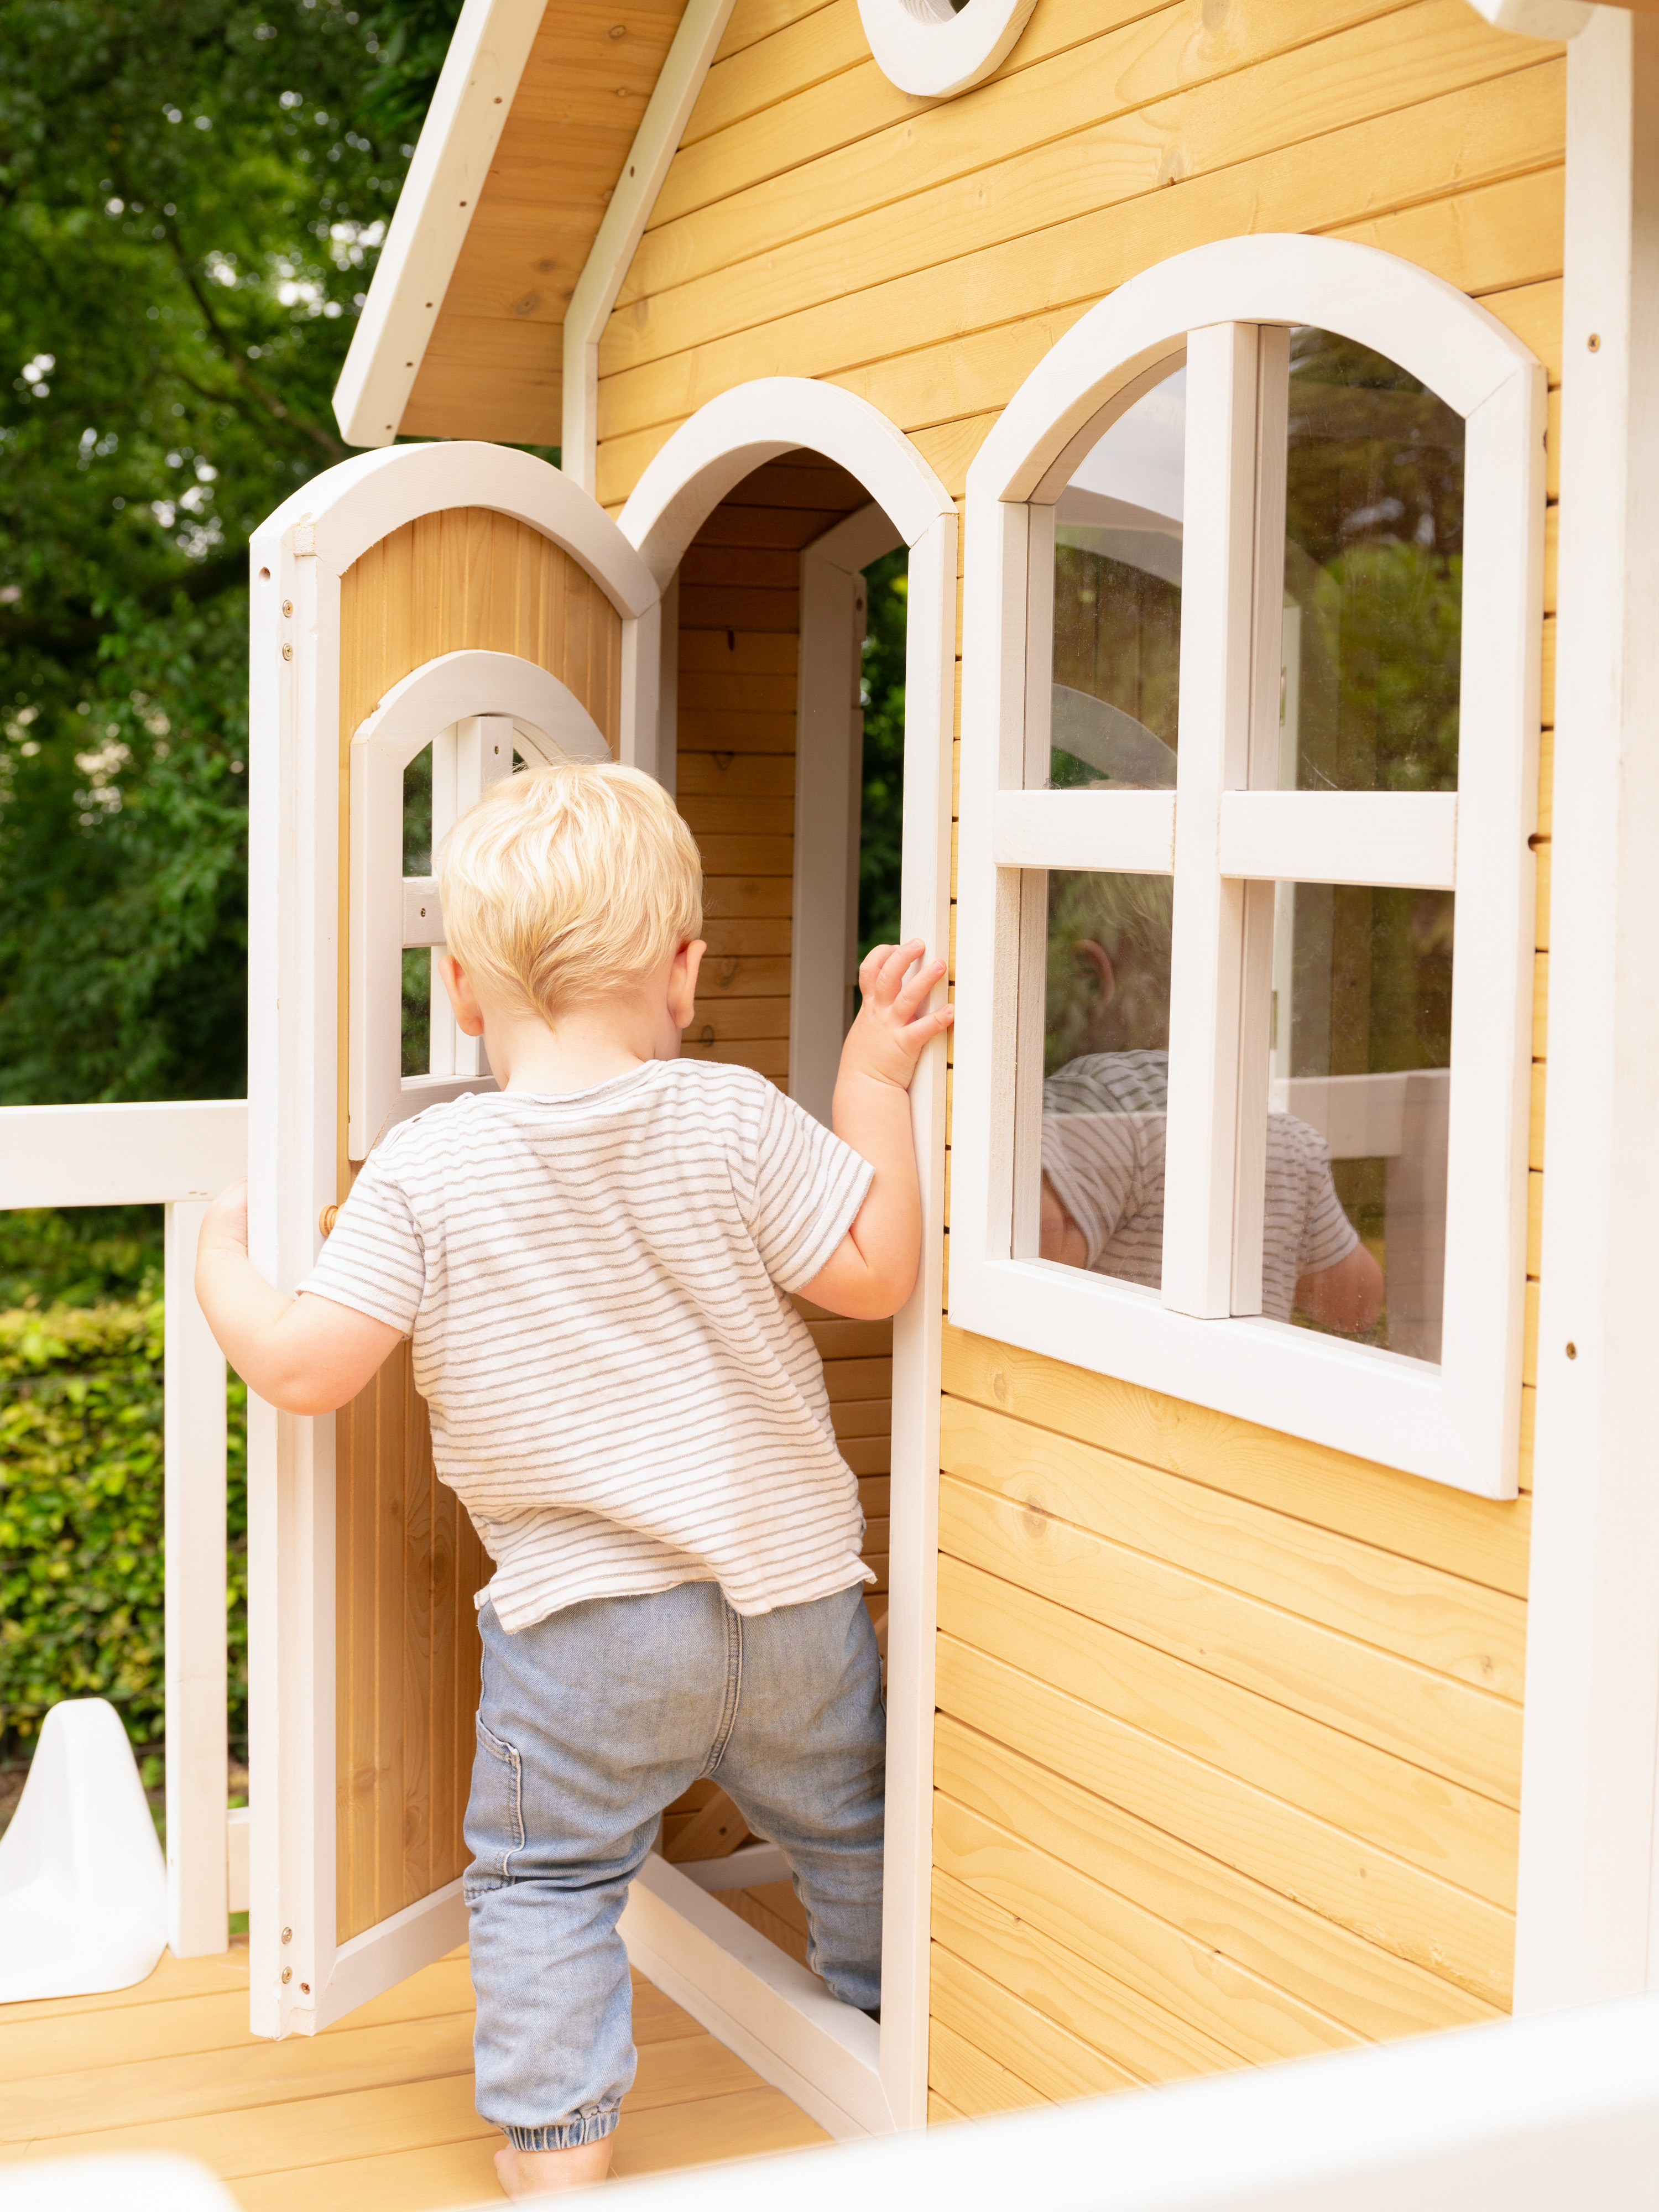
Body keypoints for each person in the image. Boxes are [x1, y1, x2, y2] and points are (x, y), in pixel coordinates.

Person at [195, 763, 952, 2198]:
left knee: (549, 1880)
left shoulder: (430, 1168)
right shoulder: (728, 1115)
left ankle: (562, 2146)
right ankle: (879, 2037)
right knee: (854, 1830)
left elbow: (302, 1367)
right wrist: (875, 1076)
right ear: (681, 972)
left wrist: (222, 1263)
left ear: (466, 993)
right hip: (794, 1604)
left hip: (588, 1628)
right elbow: (880, 1271)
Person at [1038, 870, 1384, 1333]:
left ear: (1091, 977)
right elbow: (1356, 1304)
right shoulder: (1277, 1134)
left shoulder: (1099, 1100)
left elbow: (1034, 1254)